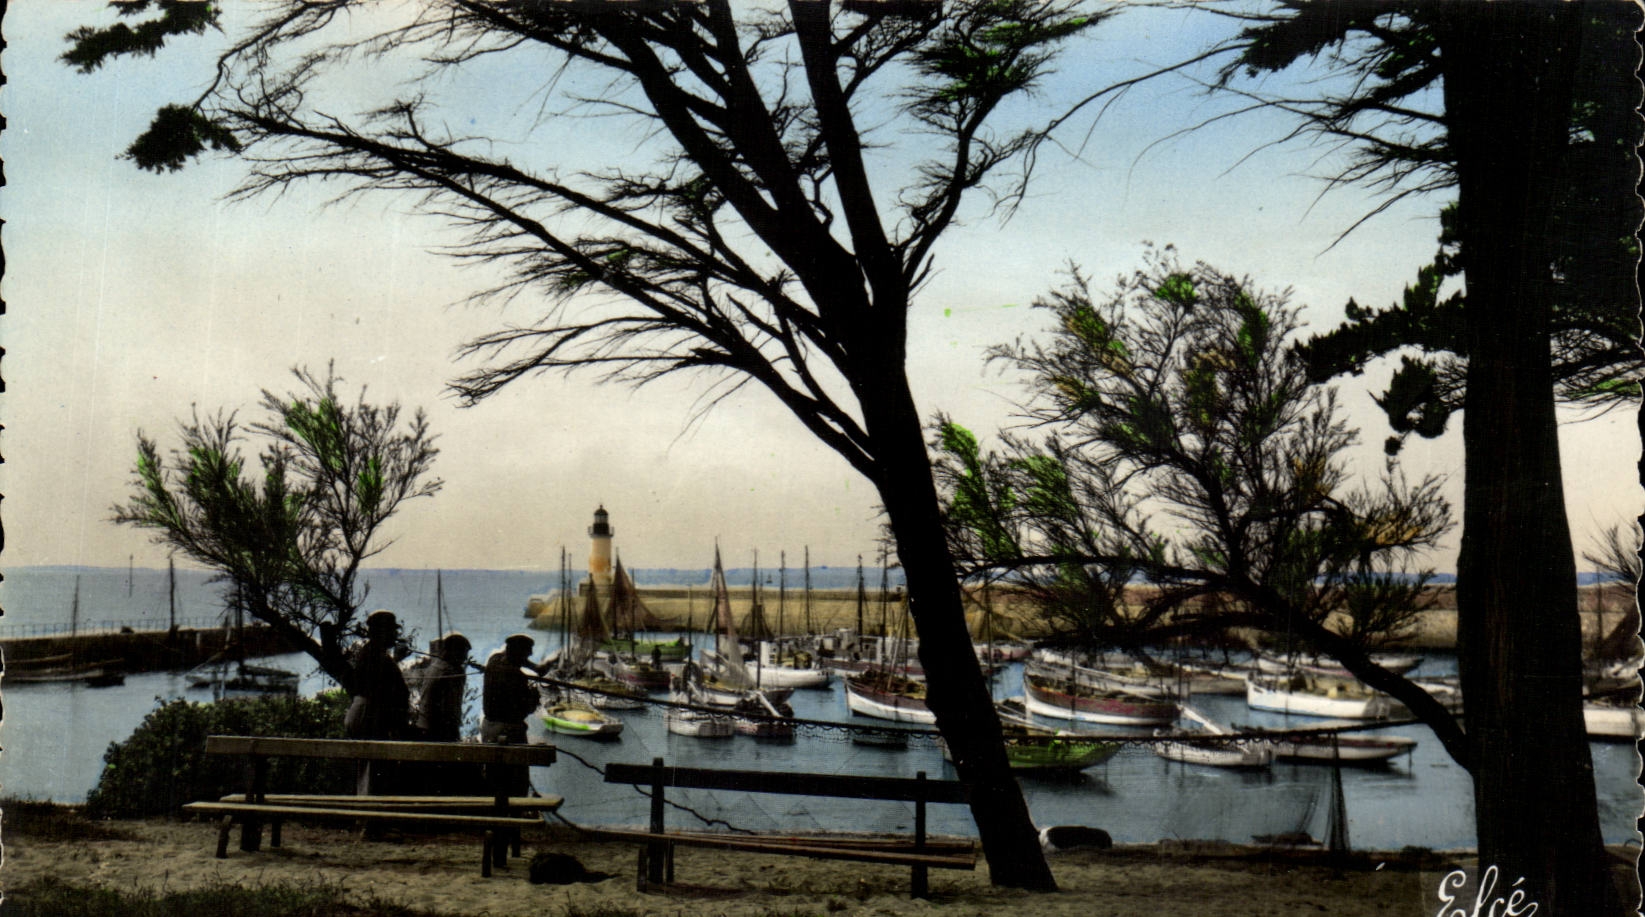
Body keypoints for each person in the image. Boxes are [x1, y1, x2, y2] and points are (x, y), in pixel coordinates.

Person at [345, 609, 411, 795]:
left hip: (365, 713)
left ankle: (366, 815)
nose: (396, 635)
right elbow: (386, 686)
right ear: (383, 632)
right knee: (371, 769)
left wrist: (395, 659)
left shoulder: (373, 653)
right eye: (393, 631)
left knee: (368, 769)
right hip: (368, 715)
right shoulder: (376, 655)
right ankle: (367, 816)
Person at [415, 631, 471, 743]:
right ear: (453, 652)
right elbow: (451, 709)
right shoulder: (448, 672)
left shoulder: (436, 666)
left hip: (424, 726)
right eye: (463, 654)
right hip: (439, 731)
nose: (464, 658)